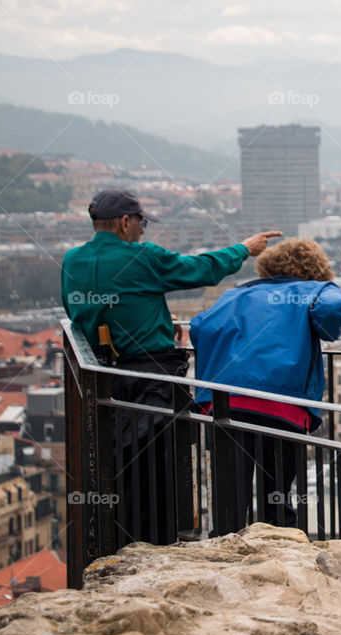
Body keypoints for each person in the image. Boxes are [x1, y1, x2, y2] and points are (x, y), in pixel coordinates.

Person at [61, 188, 281, 544]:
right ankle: (154, 545)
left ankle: (111, 542)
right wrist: (244, 249)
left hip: (100, 377)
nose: (143, 231)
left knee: (113, 467)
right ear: (124, 222)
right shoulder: (142, 257)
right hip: (152, 378)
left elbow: (85, 312)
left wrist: (154, 320)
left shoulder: (72, 260)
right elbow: (200, 270)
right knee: (156, 471)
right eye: (141, 223)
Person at [190, 238, 341, 529]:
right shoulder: (315, 289)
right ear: (317, 269)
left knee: (230, 493)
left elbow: (201, 327)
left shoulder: (237, 294)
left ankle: (226, 552)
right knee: (277, 493)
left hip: (226, 402)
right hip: (282, 405)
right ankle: (282, 553)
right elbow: (333, 311)